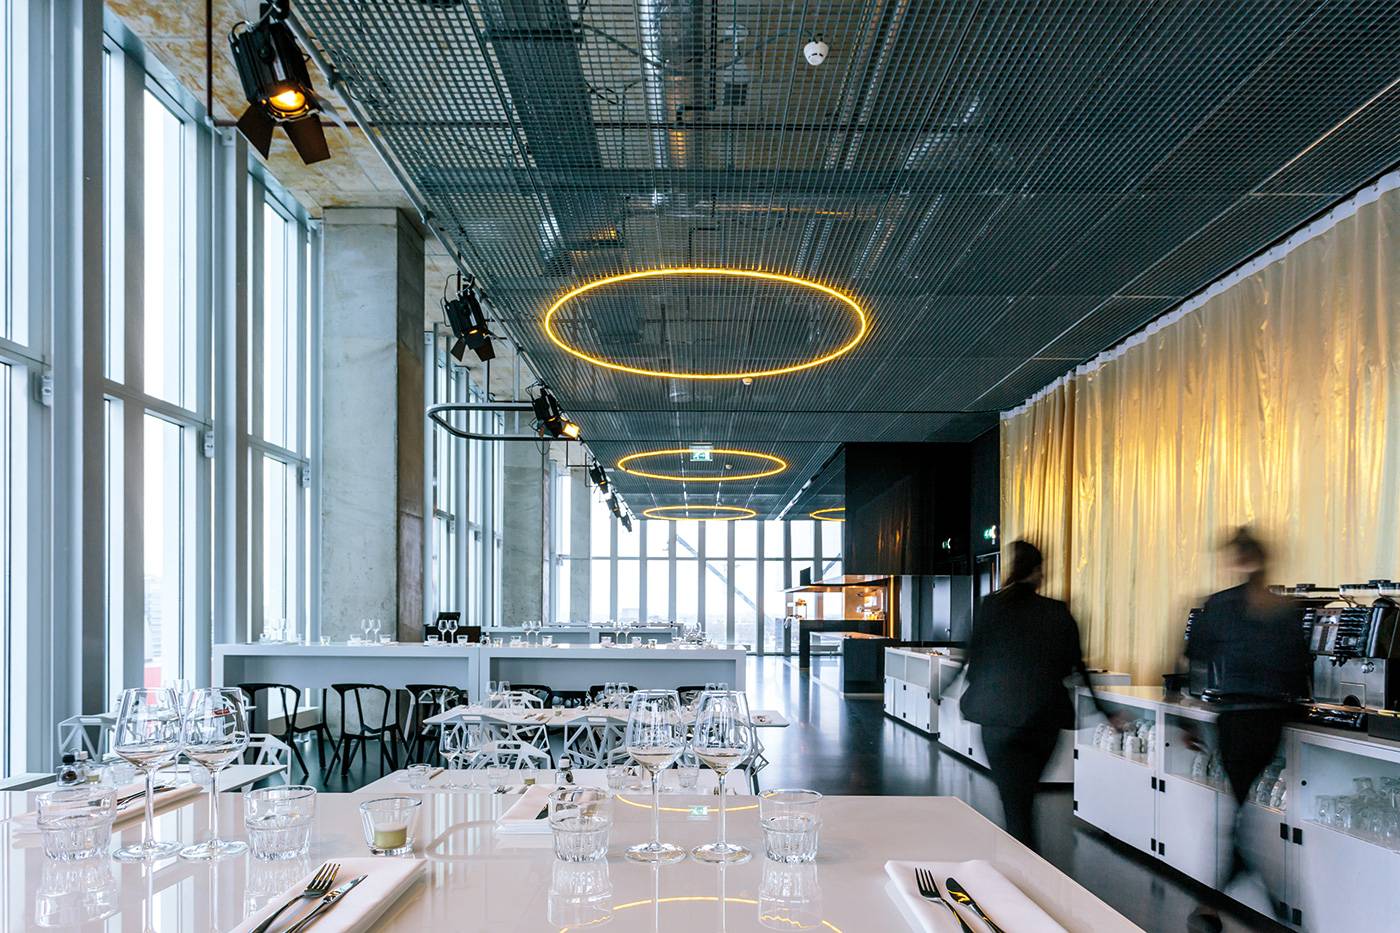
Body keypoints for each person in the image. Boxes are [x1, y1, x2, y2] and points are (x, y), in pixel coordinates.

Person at [1184, 528, 1310, 930]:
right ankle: (1235, 896)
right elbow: (1300, 670)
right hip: (1270, 721)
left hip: (1235, 719)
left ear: (1237, 560)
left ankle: (1216, 901)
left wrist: (1189, 719)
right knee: (1240, 810)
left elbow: (1194, 659)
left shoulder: (1220, 605)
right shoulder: (1284, 610)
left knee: (1237, 810)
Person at [960, 539, 1113, 853]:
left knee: (1014, 802)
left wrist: (949, 688)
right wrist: (1105, 711)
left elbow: (972, 658)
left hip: (997, 718)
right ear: (1038, 572)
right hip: (1042, 720)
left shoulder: (991, 607)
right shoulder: (1056, 611)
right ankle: (1025, 858)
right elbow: (1077, 666)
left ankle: (1021, 859)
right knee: (1025, 799)